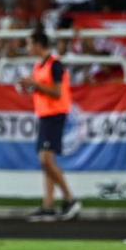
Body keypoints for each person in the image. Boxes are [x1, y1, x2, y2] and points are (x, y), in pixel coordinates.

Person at [19, 30, 81, 222]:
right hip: (46, 116)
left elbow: (56, 92)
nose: (28, 48)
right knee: (46, 161)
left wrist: (35, 84)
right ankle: (48, 205)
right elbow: (43, 90)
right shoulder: (40, 65)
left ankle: (70, 199)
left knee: (46, 160)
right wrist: (30, 86)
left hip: (55, 115)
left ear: (38, 44)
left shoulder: (55, 65)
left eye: (30, 44)